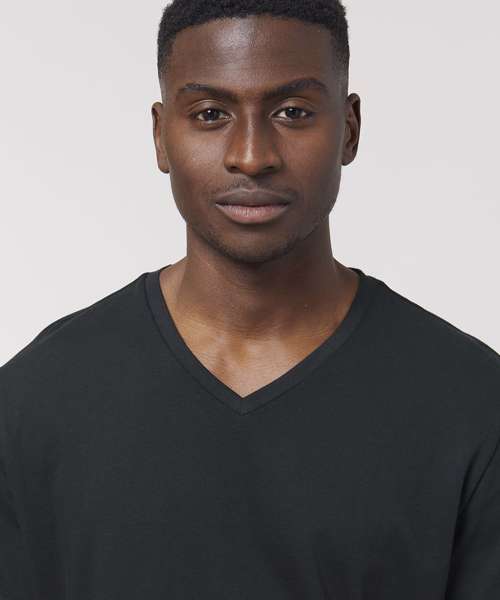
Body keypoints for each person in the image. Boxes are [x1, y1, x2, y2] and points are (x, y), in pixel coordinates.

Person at [1, 0, 499, 598]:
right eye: (210, 114)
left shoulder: (473, 404)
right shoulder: (35, 400)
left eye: (293, 112)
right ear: (161, 136)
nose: (252, 155)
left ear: (348, 129)